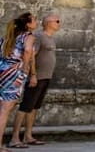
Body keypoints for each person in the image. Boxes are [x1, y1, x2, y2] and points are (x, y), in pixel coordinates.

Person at [9, 13, 60, 148]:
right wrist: (33, 74)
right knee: (26, 106)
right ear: (48, 23)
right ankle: (15, 137)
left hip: (45, 77)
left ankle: (28, 136)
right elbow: (31, 55)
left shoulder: (50, 39)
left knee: (34, 107)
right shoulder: (39, 37)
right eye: (57, 21)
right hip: (37, 77)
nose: (59, 24)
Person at [0, 13, 37, 152]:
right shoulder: (28, 36)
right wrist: (25, 67)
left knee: (1, 109)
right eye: (34, 20)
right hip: (14, 74)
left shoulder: (8, 37)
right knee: (4, 111)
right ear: (27, 24)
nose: (36, 22)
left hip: (2, 71)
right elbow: (27, 50)